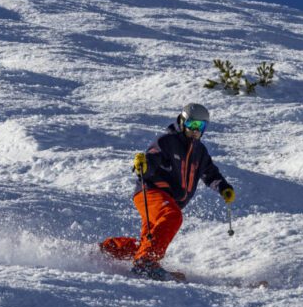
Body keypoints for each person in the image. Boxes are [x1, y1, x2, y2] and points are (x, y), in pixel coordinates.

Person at [100, 103, 235, 281]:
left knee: (148, 242)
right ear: (183, 122)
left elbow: (211, 174)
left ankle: (106, 249)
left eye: (201, 126)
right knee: (172, 216)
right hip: (151, 192)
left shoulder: (200, 152)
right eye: (192, 124)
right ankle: (146, 263)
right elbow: (151, 159)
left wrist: (224, 188)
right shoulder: (168, 141)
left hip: (168, 199)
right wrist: (144, 166)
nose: (196, 130)